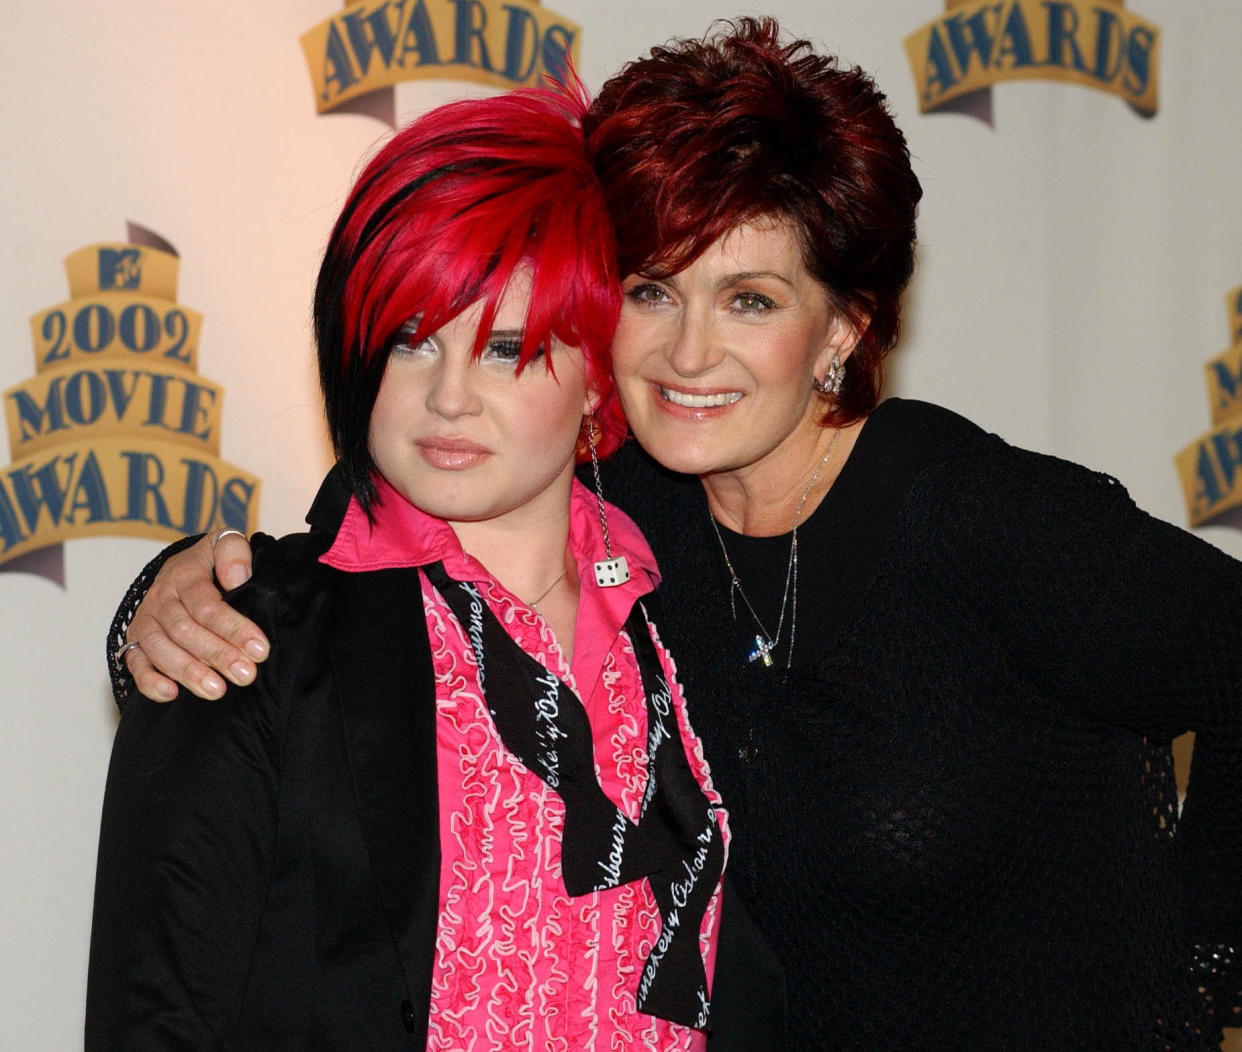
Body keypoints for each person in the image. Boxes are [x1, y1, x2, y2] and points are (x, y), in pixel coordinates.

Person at [106, 18, 1242, 1049]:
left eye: (750, 299)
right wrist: (165, 600)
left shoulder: (977, 516)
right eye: (652, 290)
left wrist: (1195, 979)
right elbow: (377, 541)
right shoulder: (631, 514)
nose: (687, 355)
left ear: (843, 327)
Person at [86, 84, 757, 1049]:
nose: (447, 398)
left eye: (507, 350)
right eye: (412, 340)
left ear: (596, 379)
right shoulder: (243, 632)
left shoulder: (686, 610)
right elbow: (155, 1015)